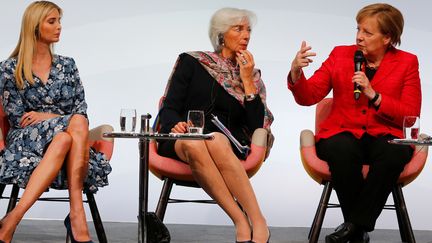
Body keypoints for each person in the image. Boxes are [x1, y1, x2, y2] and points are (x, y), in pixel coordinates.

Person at [287, 3, 420, 243]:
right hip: (342, 131)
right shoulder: (340, 54)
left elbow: (410, 113)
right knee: (341, 150)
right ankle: (359, 230)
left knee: (392, 155)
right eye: (358, 29)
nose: (359, 36)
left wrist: (375, 96)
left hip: (385, 134)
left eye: (368, 33)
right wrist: (296, 72)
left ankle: (354, 228)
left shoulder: (407, 63)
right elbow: (309, 96)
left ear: (388, 37)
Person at [157, 7, 273, 243]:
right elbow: (168, 107)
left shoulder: (251, 74)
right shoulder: (191, 61)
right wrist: (175, 124)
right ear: (221, 35)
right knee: (196, 143)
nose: (246, 35)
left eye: (248, 29)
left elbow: (256, 127)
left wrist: (247, 80)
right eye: (238, 29)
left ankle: (256, 220)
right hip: (183, 139)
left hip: (228, 143)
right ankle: (243, 220)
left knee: (214, 139)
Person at [0, 1, 111, 243]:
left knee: (63, 138)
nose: (59, 27)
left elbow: (81, 109)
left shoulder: (68, 65)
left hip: (70, 138)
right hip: (26, 140)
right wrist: (57, 120)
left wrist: (50, 117)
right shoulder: (10, 68)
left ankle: (13, 218)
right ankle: (76, 214)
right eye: (52, 21)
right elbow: (18, 117)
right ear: (34, 27)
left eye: (59, 21)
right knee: (75, 125)